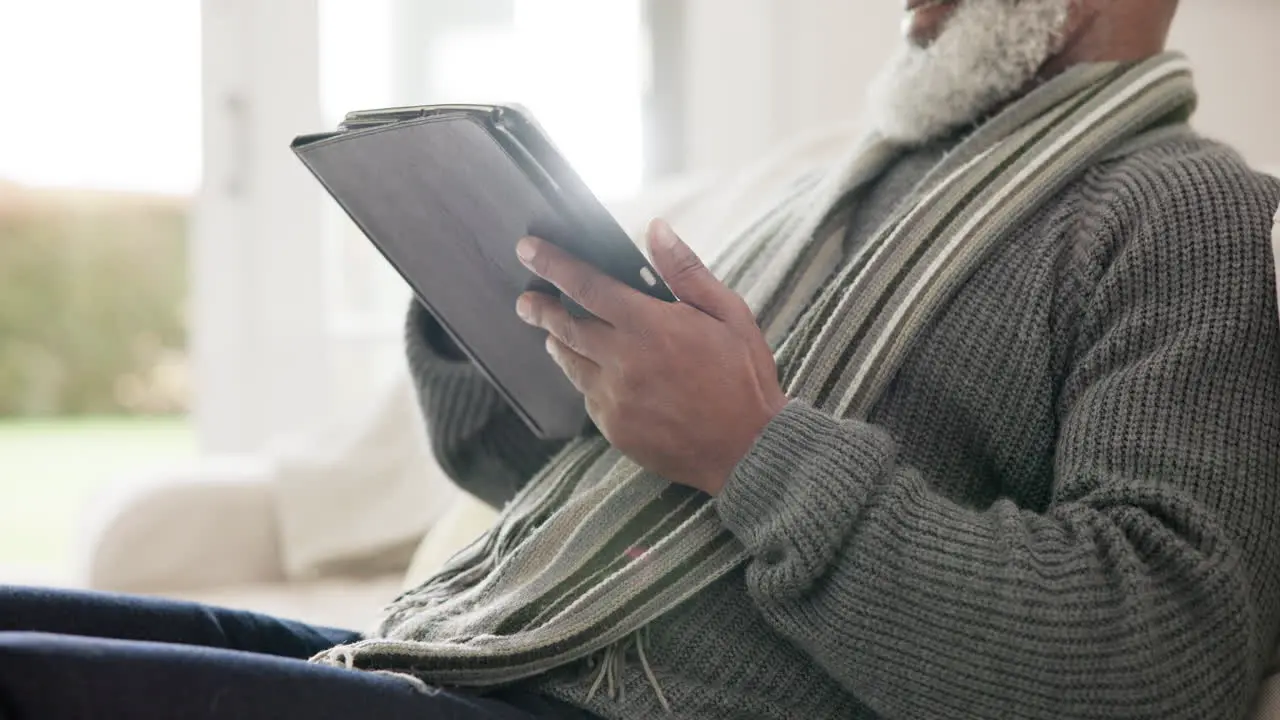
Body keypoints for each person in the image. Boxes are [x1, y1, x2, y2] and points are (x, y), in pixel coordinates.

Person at [3, 0, 1278, 718]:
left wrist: (755, 451)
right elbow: (570, 494)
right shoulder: (842, 181)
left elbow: (1168, 655)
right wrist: (487, 310)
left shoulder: (1178, 212)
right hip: (480, 647)